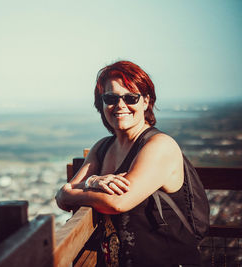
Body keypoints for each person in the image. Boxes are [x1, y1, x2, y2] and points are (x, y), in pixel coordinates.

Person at [55, 60, 201, 266]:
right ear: (102, 103)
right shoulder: (102, 147)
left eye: (131, 97)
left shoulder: (160, 145)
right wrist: (92, 182)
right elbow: (62, 199)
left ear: (146, 101)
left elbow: (118, 203)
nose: (120, 105)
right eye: (111, 97)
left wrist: (71, 191)